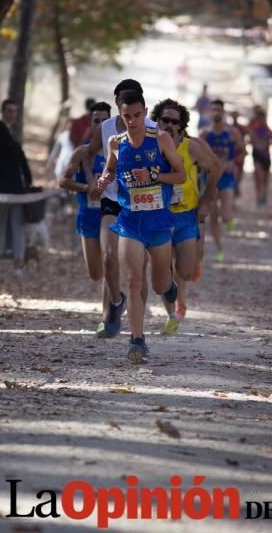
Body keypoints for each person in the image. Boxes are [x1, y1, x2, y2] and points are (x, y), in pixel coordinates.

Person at [93, 90, 186, 363]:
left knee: (158, 285)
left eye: (137, 115)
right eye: (127, 116)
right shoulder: (115, 142)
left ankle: (169, 285)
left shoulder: (162, 139)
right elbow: (110, 169)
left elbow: (180, 175)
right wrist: (103, 180)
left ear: (145, 112)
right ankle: (137, 340)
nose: (132, 121)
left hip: (158, 221)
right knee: (134, 280)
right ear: (120, 116)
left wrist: (153, 175)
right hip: (130, 220)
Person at [83, 79, 157, 339]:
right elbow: (88, 152)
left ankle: (138, 323)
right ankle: (116, 301)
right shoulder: (105, 129)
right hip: (112, 199)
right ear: (117, 104)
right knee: (108, 256)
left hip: (142, 203)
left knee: (139, 269)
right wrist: (93, 180)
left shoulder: (153, 129)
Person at [151, 99, 220, 332]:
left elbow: (215, 168)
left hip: (186, 215)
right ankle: (172, 315)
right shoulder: (149, 145)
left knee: (186, 271)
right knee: (164, 269)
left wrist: (205, 201)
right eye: (164, 120)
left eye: (174, 121)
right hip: (159, 215)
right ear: (156, 121)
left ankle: (183, 278)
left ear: (181, 125)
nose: (169, 125)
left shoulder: (192, 147)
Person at [59, 102, 111, 283]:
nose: (101, 125)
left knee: (111, 263)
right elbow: (63, 180)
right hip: (88, 214)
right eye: (97, 121)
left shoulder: (120, 151)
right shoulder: (82, 152)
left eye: (105, 121)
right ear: (91, 124)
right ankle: (111, 293)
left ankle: (112, 301)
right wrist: (85, 188)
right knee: (96, 274)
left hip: (112, 214)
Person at [0, 120, 32, 276]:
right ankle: (18, 265)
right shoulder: (14, 146)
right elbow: (25, 170)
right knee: (18, 228)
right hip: (17, 193)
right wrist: (27, 184)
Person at [200, 99, 244, 262]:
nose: (216, 112)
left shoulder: (232, 133)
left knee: (224, 215)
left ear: (223, 112)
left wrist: (233, 162)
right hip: (211, 179)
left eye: (219, 110)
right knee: (213, 216)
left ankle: (229, 219)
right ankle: (220, 250)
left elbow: (242, 152)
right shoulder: (205, 134)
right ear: (210, 113)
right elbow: (198, 156)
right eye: (214, 110)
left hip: (227, 178)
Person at [248, 106, 272, 206]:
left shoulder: (267, 129)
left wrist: (267, 143)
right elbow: (250, 140)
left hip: (266, 155)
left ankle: (264, 195)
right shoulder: (253, 128)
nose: (261, 119)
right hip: (257, 155)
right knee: (258, 176)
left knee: (265, 178)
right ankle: (258, 197)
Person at [47, 116, 75, 183]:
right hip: (63, 160)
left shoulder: (78, 136)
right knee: (60, 176)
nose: (70, 125)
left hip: (73, 160)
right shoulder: (63, 136)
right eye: (69, 123)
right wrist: (50, 160)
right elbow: (56, 149)